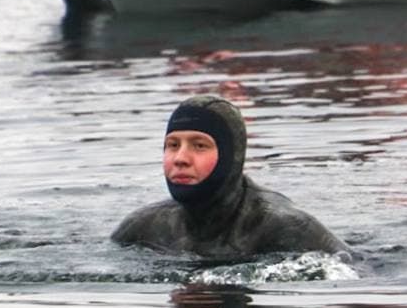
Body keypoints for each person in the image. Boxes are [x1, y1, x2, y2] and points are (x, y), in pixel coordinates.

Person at [111, 94, 349, 258]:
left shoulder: (287, 228)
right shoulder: (141, 229)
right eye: (173, 145)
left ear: (230, 156)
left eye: (199, 146)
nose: (180, 158)